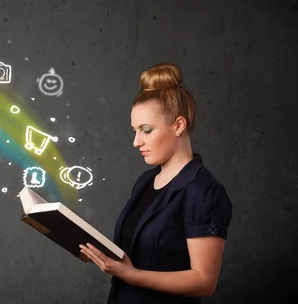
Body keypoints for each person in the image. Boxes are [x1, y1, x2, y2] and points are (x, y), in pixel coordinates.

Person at [79, 63, 233, 303]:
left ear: (179, 126)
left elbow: (204, 282)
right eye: (134, 131)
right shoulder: (145, 182)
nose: (136, 142)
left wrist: (132, 275)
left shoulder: (203, 191)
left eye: (146, 130)